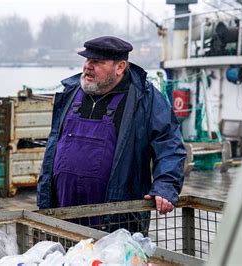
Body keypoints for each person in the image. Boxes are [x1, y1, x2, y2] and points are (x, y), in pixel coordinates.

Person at [37, 36, 186, 233]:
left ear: (120, 67)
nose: (88, 66)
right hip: (63, 210)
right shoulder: (71, 93)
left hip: (117, 218)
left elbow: (169, 144)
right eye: (87, 60)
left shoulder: (144, 99)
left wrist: (166, 186)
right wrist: (45, 194)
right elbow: (53, 146)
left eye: (97, 62)